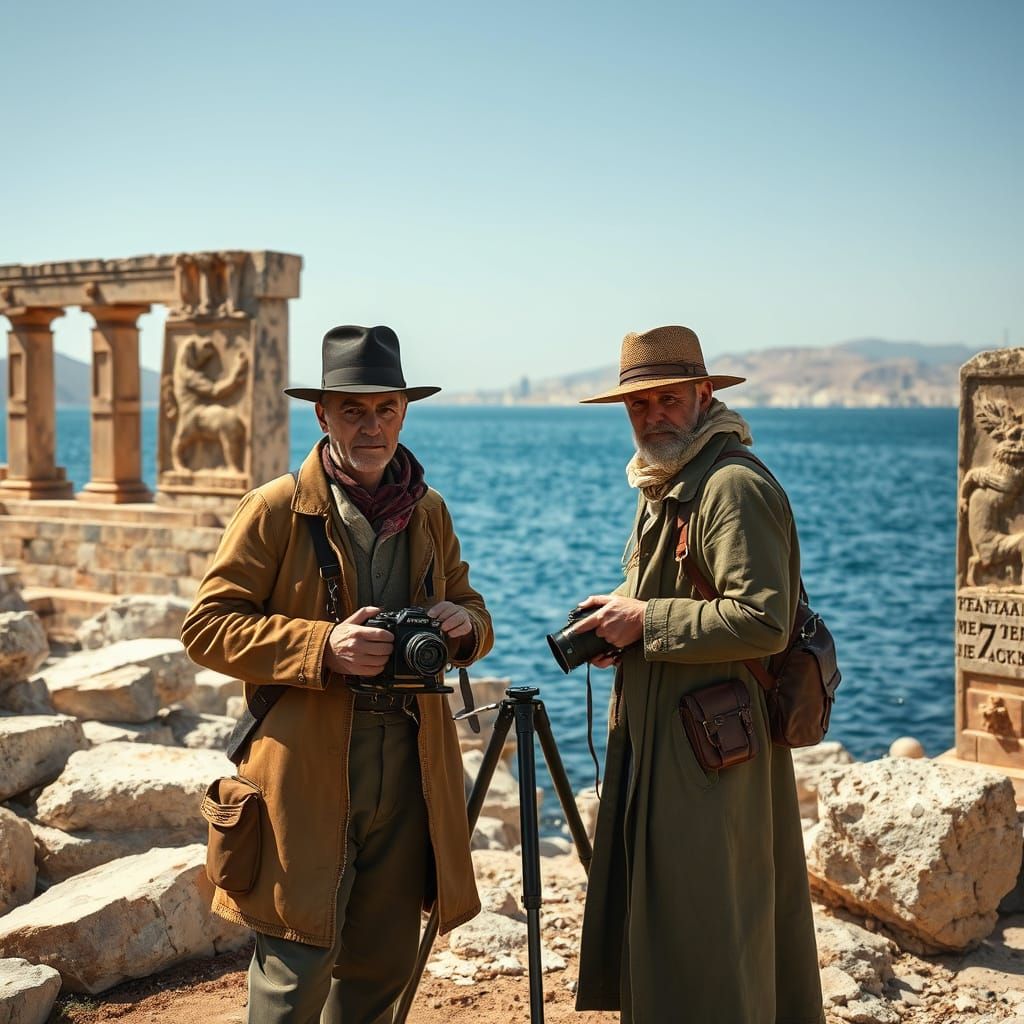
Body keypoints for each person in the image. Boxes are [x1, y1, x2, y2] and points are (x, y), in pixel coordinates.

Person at [181, 324, 493, 1024]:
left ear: (405, 412)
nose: (372, 425)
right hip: (304, 773)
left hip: (411, 769)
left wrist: (464, 627)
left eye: (386, 409)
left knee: (380, 971)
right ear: (322, 415)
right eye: (353, 410)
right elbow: (205, 627)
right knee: (294, 973)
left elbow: (473, 606)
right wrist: (324, 647)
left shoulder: (429, 511)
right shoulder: (273, 509)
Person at [571, 325, 823, 1023]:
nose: (653, 417)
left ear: (704, 395)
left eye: (668, 400)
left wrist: (646, 623)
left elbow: (764, 620)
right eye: (638, 406)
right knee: (678, 924)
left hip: (713, 754)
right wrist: (621, 636)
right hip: (679, 744)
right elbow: (680, 600)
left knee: (711, 928)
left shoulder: (730, 486)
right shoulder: (673, 481)